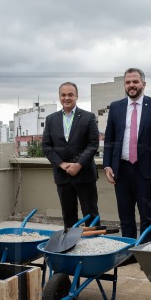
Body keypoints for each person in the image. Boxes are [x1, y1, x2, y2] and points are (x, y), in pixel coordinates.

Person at [103, 68, 151, 244]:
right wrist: (107, 165)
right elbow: (109, 138)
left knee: (146, 215)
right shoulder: (116, 107)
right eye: (128, 82)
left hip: (146, 170)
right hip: (121, 169)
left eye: (135, 82)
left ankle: (147, 251)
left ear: (143, 84)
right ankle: (127, 252)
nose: (131, 85)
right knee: (125, 215)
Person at [41, 82, 99, 227]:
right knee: (68, 216)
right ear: (59, 97)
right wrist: (61, 164)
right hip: (62, 175)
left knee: (91, 215)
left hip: (84, 174)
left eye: (70, 95)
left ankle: (93, 246)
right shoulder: (51, 119)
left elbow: (93, 144)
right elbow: (46, 146)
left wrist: (78, 164)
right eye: (63, 95)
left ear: (76, 96)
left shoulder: (88, 117)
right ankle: (71, 246)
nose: (66, 98)